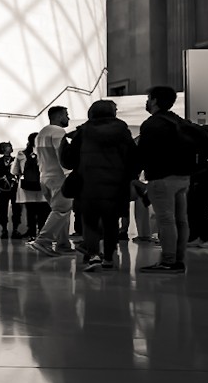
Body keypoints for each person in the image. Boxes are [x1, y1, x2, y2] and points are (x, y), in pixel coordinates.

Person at [136, 85, 198, 275]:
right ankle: (178, 259)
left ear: (154, 100)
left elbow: (143, 153)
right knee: (181, 220)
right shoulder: (179, 121)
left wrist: (133, 174)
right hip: (183, 177)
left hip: (161, 178)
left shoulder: (152, 124)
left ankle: (168, 261)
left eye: (148, 98)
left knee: (166, 220)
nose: (147, 101)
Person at [71, 100, 135, 273]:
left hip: (88, 183)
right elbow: (132, 157)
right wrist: (129, 176)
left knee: (90, 222)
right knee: (111, 222)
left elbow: (69, 159)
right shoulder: (122, 129)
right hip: (116, 183)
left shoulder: (83, 130)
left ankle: (93, 255)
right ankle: (108, 257)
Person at [29, 106, 76, 256]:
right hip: (58, 177)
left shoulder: (41, 133)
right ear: (59, 116)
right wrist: (69, 175)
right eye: (66, 115)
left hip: (44, 177)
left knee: (61, 210)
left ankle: (63, 244)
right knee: (61, 210)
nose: (68, 118)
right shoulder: (57, 132)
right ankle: (43, 240)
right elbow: (62, 154)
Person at [16, 134, 46, 238]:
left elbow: (14, 170)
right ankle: (42, 234)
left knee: (30, 211)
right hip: (42, 184)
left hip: (27, 186)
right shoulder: (44, 153)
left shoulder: (21, 154)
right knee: (43, 211)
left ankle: (31, 234)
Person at [0, 142, 18, 238]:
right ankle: (4, 229)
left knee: (16, 208)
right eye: (8, 147)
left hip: (14, 187)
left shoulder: (15, 159)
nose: (11, 148)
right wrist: (7, 170)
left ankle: (15, 229)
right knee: (2, 209)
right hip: (2, 187)